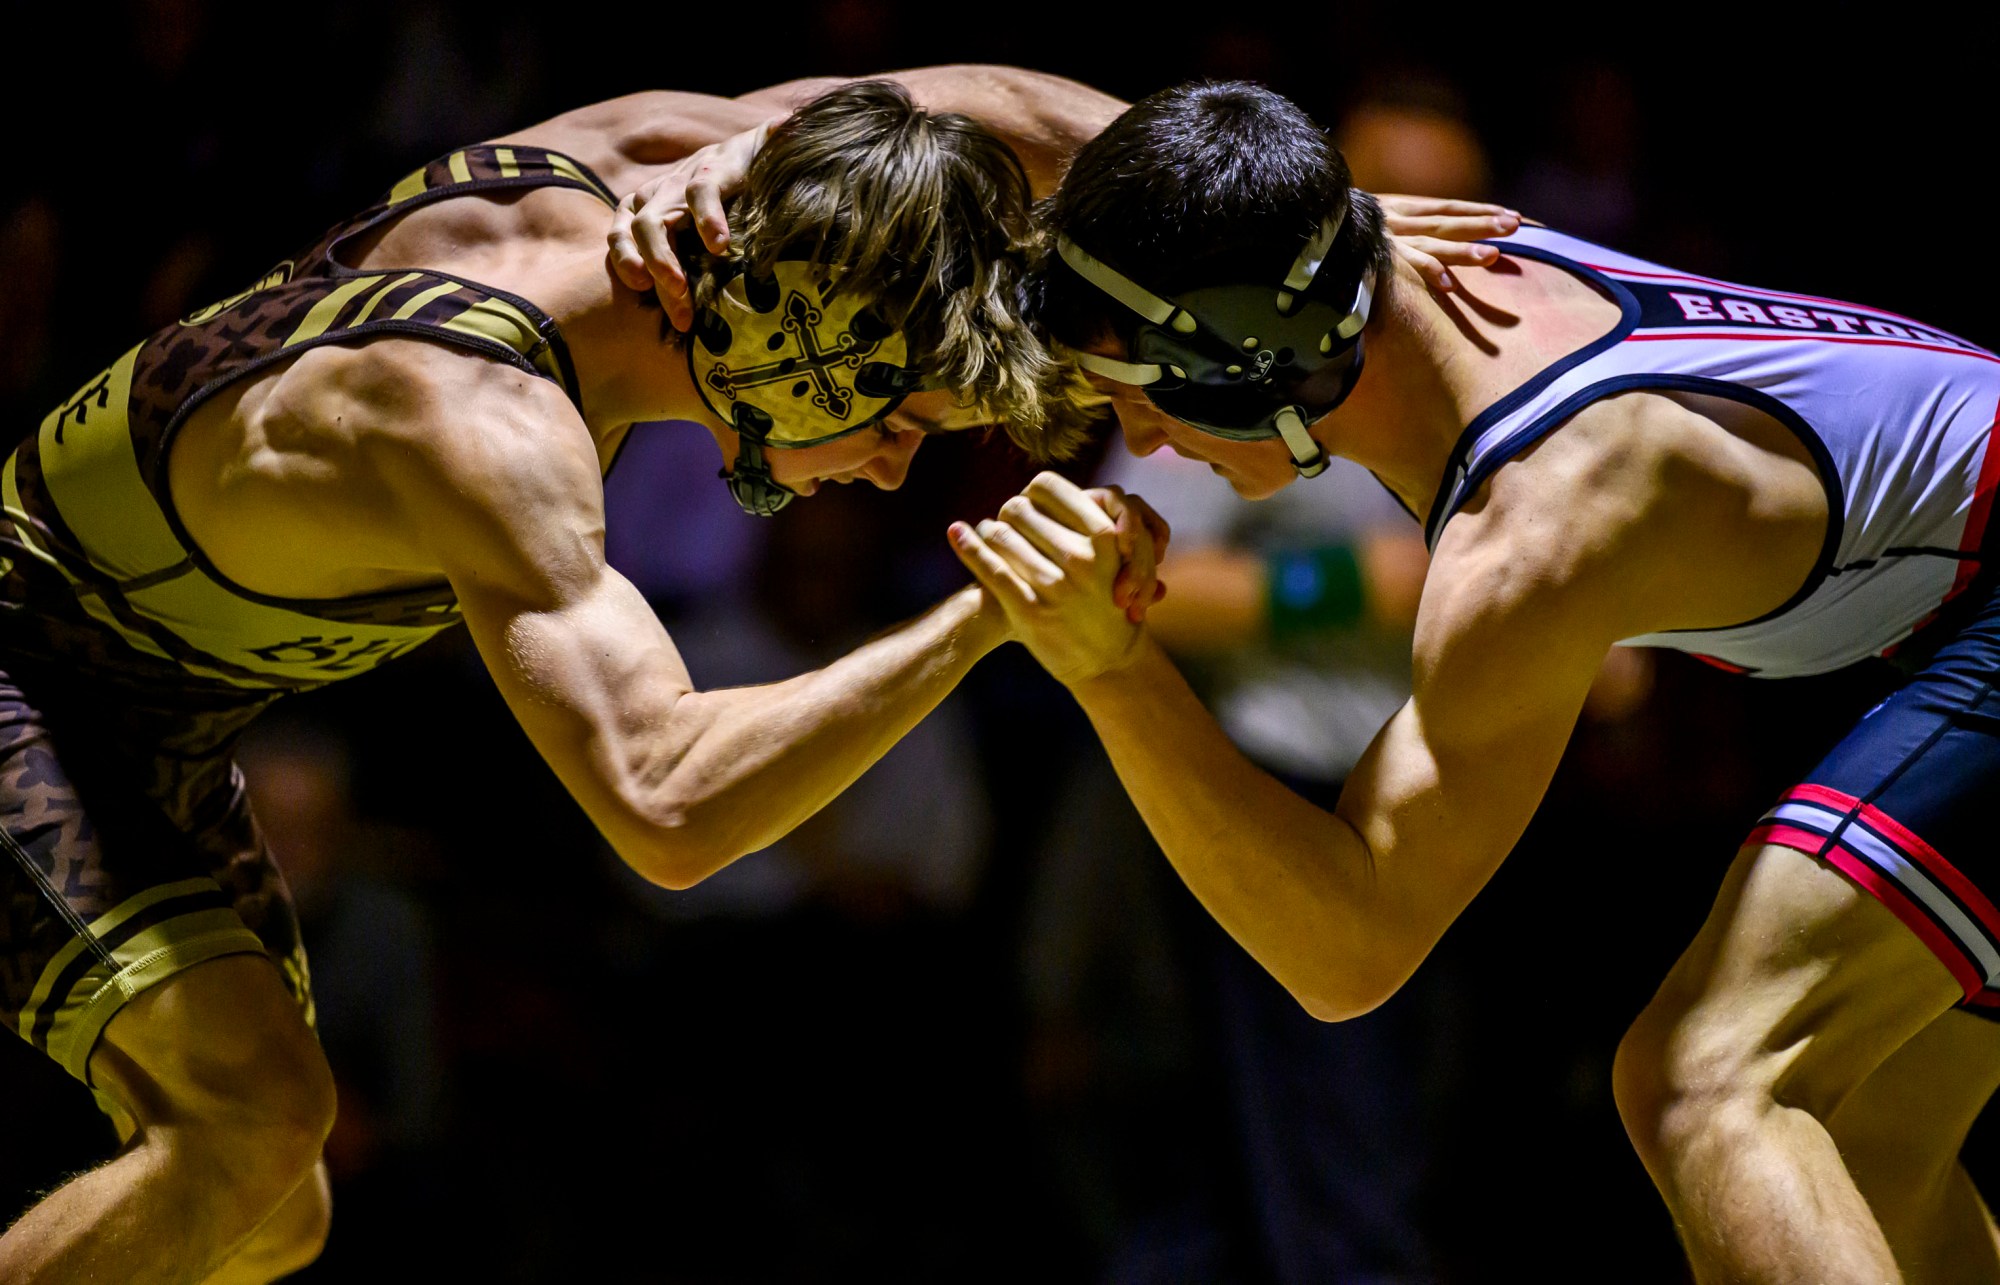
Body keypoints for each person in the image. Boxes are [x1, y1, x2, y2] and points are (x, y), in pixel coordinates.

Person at [0, 70, 1160, 1283]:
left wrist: (1312, 217)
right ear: (805, 341)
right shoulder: (477, 422)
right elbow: (665, 805)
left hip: (147, 705)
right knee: (244, 1136)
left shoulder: (636, 162)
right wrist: (986, 617)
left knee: (273, 1213)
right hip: (32, 674)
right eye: (901, 424)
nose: (883, 475)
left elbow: (948, 107)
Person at [949, 80, 2000, 1282]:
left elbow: (1348, 951)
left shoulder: (1539, 523)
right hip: (1957, 607)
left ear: (1247, 363)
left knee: (1704, 1081)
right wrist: (699, 164)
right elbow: (1015, 110)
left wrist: (1113, 670)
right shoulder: (1410, 253)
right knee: (1865, 1138)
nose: (1137, 442)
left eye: (1138, 398)